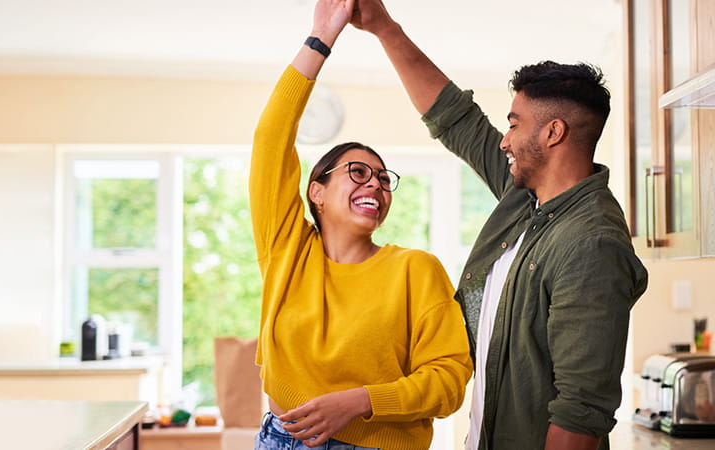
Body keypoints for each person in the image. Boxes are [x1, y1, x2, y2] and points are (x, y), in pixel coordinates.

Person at [349, 1, 649, 449]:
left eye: (514, 124)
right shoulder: (525, 200)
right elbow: (456, 120)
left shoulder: (592, 244)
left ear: (553, 133)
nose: (504, 140)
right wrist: (383, 27)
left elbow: (580, 413)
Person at [249, 1, 473, 449]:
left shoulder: (415, 270)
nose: (375, 182)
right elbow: (271, 140)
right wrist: (321, 37)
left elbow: (449, 380)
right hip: (283, 440)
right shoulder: (287, 250)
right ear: (317, 191)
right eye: (357, 171)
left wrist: (361, 401)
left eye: (383, 178)